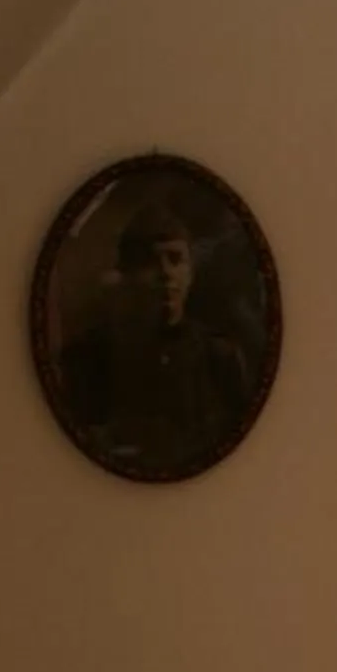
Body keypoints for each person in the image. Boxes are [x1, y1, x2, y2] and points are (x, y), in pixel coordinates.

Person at [64, 201, 254, 477]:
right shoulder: (88, 358)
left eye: (176, 260)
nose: (166, 274)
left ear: (191, 273)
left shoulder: (220, 358)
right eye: (149, 262)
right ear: (125, 274)